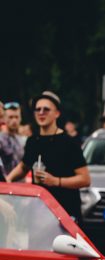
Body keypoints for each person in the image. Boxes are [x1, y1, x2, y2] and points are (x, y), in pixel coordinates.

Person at [6, 91, 90, 223]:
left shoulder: (69, 142)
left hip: (65, 212)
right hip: (38, 211)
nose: (41, 113)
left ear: (57, 113)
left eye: (46, 109)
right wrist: (7, 181)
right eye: (38, 109)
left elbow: (85, 179)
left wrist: (56, 181)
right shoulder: (33, 141)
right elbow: (24, 166)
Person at [0, 102, 25, 178]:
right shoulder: (1, 139)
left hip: (22, 185)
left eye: (16, 117)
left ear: (20, 118)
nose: (14, 120)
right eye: (10, 117)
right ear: (4, 119)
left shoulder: (21, 140)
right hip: (5, 186)